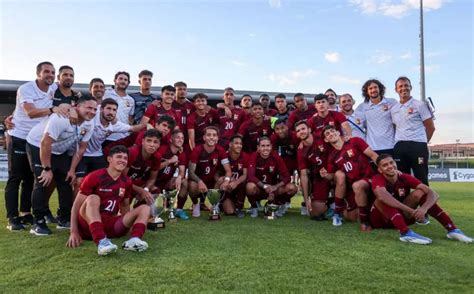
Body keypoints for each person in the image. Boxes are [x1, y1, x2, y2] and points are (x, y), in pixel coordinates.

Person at [5, 61, 69, 231]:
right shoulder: (26, 89)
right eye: (46, 71)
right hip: (19, 135)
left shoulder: (53, 88)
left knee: (32, 178)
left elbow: (67, 88)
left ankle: (26, 213)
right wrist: (53, 109)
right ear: (38, 73)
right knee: (15, 178)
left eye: (52, 72)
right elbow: (30, 112)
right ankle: (12, 218)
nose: (50, 75)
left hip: (36, 140)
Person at [26, 95, 97, 235]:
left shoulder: (89, 123)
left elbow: (81, 149)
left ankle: (63, 219)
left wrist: (72, 170)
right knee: (42, 181)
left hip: (59, 151)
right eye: (89, 107)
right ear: (77, 106)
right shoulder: (61, 118)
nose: (92, 112)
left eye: (95, 109)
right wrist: (47, 169)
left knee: (66, 181)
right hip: (38, 145)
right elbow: (45, 143)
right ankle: (38, 222)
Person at [66, 145, 151, 255]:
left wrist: (127, 225)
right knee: (93, 198)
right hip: (87, 225)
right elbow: (76, 206)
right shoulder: (94, 176)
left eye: (125, 158)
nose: (122, 160)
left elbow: (125, 206)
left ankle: (134, 240)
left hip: (110, 223)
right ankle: (101, 242)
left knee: (145, 208)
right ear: (109, 159)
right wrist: (73, 231)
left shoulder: (127, 181)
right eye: (119, 157)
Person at [371, 154, 472, 244]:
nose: (390, 166)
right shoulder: (377, 178)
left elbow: (433, 194)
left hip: (403, 217)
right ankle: (405, 233)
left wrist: (423, 209)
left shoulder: (404, 177)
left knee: (421, 192)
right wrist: (411, 210)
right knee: (381, 199)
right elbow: (382, 196)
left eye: (391, 162)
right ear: (380, 170)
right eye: (385, 165)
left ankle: (452, 230)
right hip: (383, 222)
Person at [74, 98, 143, 193]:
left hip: (97, 154)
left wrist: (149, 126)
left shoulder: (115, 125)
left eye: (114, 110)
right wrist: (70, 110)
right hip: (81, 154)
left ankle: (98, 205)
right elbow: (79, 108)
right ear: (101, 109)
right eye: (108, 108)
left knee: (104, 181)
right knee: (79, 182)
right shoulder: (91, 118)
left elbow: (133, 128)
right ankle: (75, 208)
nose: (111, 112)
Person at [322, 125, 378, 231]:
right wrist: (325, 175)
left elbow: (372, 155)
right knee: (351, 217)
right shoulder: (332, 156)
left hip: (368, 179)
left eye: (332, 131)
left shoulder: (355, 141)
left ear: (338, 133)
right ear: (326, 139)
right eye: (327, 134)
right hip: (351, 187)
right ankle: (338, 213)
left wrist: (383, 168)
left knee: (357, 186)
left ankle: (364, 221)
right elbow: (332, 176)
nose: (331, 134)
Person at [391, 76, 435, 185]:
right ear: (396, 90)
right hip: (400, 147)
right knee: (401, 181)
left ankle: (426, 202)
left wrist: (422, 143)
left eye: (406, 85)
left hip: (418, 146)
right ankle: (403, 203)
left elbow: (431, 127)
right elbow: (395, 128)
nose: (403, 88)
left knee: (421, 180)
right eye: (400, 86)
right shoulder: (394, 109)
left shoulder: (420, 105)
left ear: (411, 87)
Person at [246, 137, 297, 218]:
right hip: (259, 188)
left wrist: (275, 187)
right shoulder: (254, 156)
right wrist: (264, 186)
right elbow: (250, 176)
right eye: (263, 146)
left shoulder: (276, 157)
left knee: (292, 187)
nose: (266, 148)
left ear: (271, 146)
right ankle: (254, 206)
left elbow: (287, 177)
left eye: (268, 145)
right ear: (258, 147)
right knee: (250, 186)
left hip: (273, 189)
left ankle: (279, 204)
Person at [187, 126, 232, 217]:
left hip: (212, 181)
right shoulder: (197, 150)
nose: (211, 137)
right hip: (199, 181)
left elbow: (228, 170)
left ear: (217, 138)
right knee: (192, 185)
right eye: (209, 135)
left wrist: (227, 180)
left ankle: (215, 205)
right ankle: (196, 204)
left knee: (222, 179)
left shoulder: (221, 150)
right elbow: (191, 172)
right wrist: (199, 181)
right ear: (204, 138)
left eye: (214, 135)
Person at [295, 120, 330, 219]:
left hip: (335, 172)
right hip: (320, 178)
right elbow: (303, 174)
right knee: (316, 212)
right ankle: (329, 204)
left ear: (309, 129)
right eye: (298, 131)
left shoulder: (322, 136)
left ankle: (339, 202)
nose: (301, 132)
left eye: (303, 129)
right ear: (297, 135)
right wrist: (306, 200)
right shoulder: (301, 151)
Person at [356, 79, 397, 155]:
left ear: (380, 89)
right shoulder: (362, 107)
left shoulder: (392, 102)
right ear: (367, 92)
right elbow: (358, 125)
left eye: (375, 87)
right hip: (373, 148)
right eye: (370, 88)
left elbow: (398, 121)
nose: (373, 90)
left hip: (391, 146)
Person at [155, 130, 189, 220]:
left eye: (182, 138)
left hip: (167, 181)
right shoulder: (162, 149)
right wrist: (169, 161)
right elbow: (154, 167)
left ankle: (179, 209)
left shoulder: (182, 154)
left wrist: (179, 177)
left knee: (184, 182)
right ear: (171, 139)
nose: (180, 140)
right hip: (153, 181)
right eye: (178, 137)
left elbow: (182, 171)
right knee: (149, 211)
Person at [123, 129, 162, 206]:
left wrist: (146, 189)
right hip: (123, 184)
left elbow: (152, 178)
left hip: (137, 182)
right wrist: (140, 191)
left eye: (155, 142)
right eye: (149, 141)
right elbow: (122, 178)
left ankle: (139, 210)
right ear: (143, 142)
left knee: (155, 190)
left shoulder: (157, 157)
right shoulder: (132, 152)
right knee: (124, 210)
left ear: (159, 145)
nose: (152, 145)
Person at [219, 135, 248, 217]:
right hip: (226, 187)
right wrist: (224, 180)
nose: (239, 146)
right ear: (230, 144)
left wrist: (236, 182)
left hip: (238, 187)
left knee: (244, 182)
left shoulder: (245, 156)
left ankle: (239, 207)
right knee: (230, 212)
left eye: (240, 144)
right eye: (236, 143)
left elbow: (245, 174)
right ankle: (219, 204)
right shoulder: (224, 156)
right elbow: (217, 174)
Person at [103, 71, 135, 142]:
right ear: (115, 80)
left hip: (123, 137)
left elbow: (130, 119)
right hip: (106, 136)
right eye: (120, 79)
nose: (123, 81)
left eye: (125, 80)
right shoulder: (106, 94)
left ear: (128, 83)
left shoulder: (131, 100)